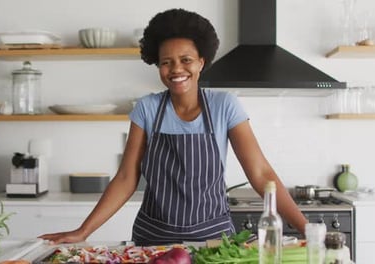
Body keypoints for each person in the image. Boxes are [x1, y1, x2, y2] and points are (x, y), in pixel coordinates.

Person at [39, 8, 307, 245]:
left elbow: (260, 173)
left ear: (202, 62)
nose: (176, 69)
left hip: (213, 240)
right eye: (166, 62)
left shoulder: (224, 106)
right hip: (154, 239)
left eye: (186, 60)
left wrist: (304, 227)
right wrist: (83, 231)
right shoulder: (147, 109)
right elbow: (126, 178)